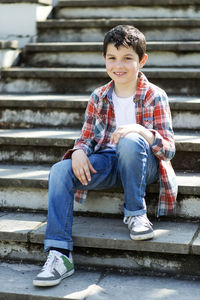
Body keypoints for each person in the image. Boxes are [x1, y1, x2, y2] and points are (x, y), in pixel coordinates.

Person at [33, 25, 177, 287]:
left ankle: (135, 213)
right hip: (108, 163)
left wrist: (141, 131)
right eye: (112, 58)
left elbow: (168, 149)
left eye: (127, 58)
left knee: (130, 141)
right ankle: (59, 253)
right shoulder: (99, 96)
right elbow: (86, 136)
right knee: (59, 170)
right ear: (104, 60)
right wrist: (78, 151)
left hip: (145, 165)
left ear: (141, 61)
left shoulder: (155, 96)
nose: (118, 65)